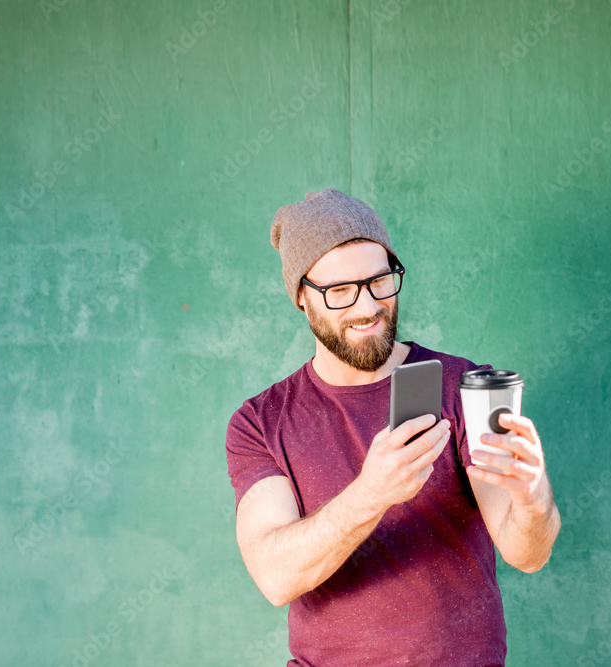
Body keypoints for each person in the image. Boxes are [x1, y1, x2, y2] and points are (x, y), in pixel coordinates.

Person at [225, 187, 560, 666]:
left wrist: (533, 500)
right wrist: (371, 493)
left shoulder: (464, 386)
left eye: (379, 282)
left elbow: (527, 554)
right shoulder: (260, 422)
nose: (366, 308)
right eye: (339, 292)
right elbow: (276, 577)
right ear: (301, 297)